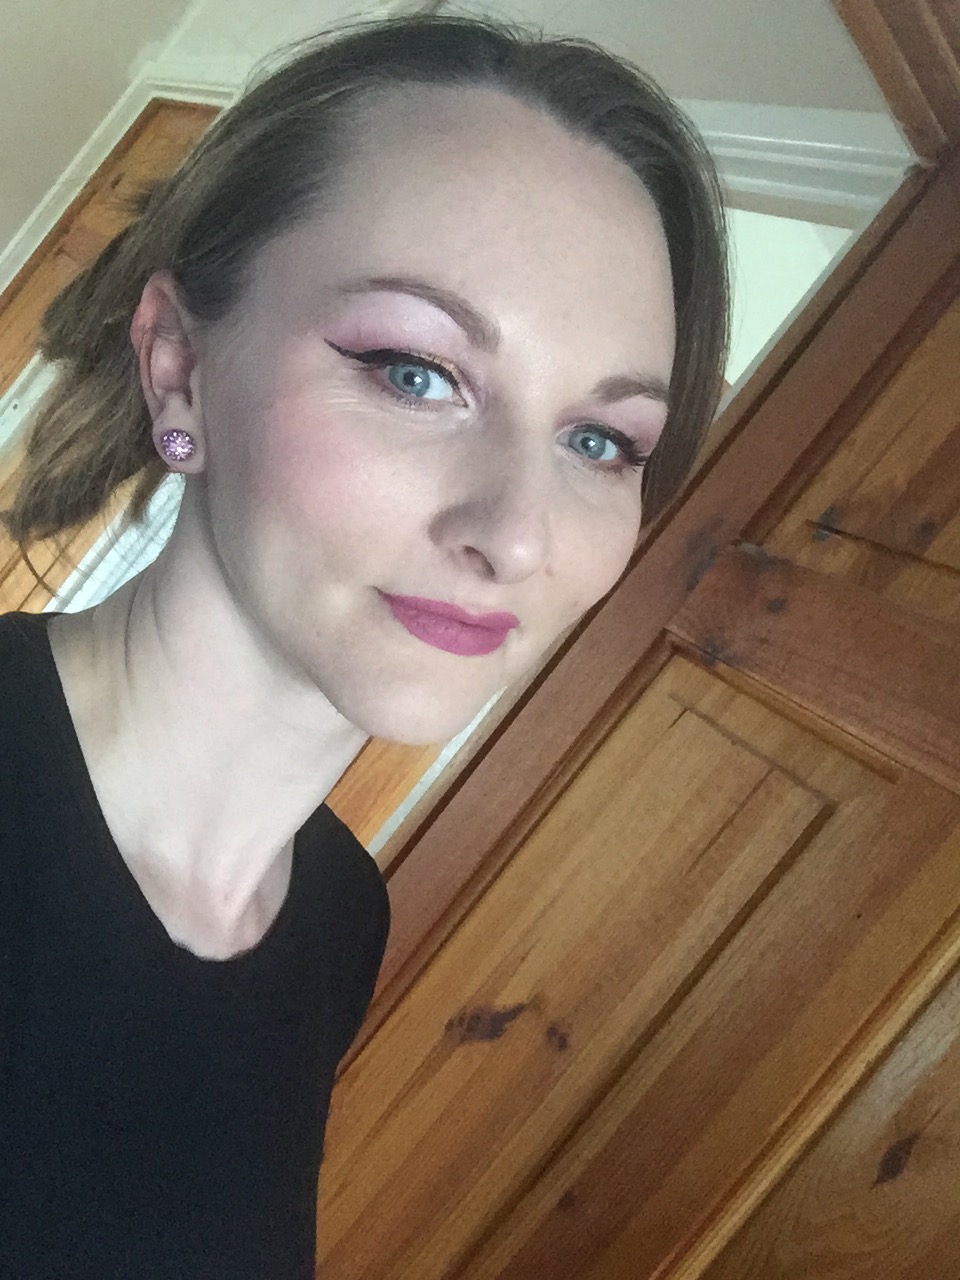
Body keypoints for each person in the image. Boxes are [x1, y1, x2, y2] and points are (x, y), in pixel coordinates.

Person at [0, 11, 729, 1278]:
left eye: (600, 441)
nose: (517, 533)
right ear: (178, 367)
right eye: (414, 372)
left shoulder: (336, 919)